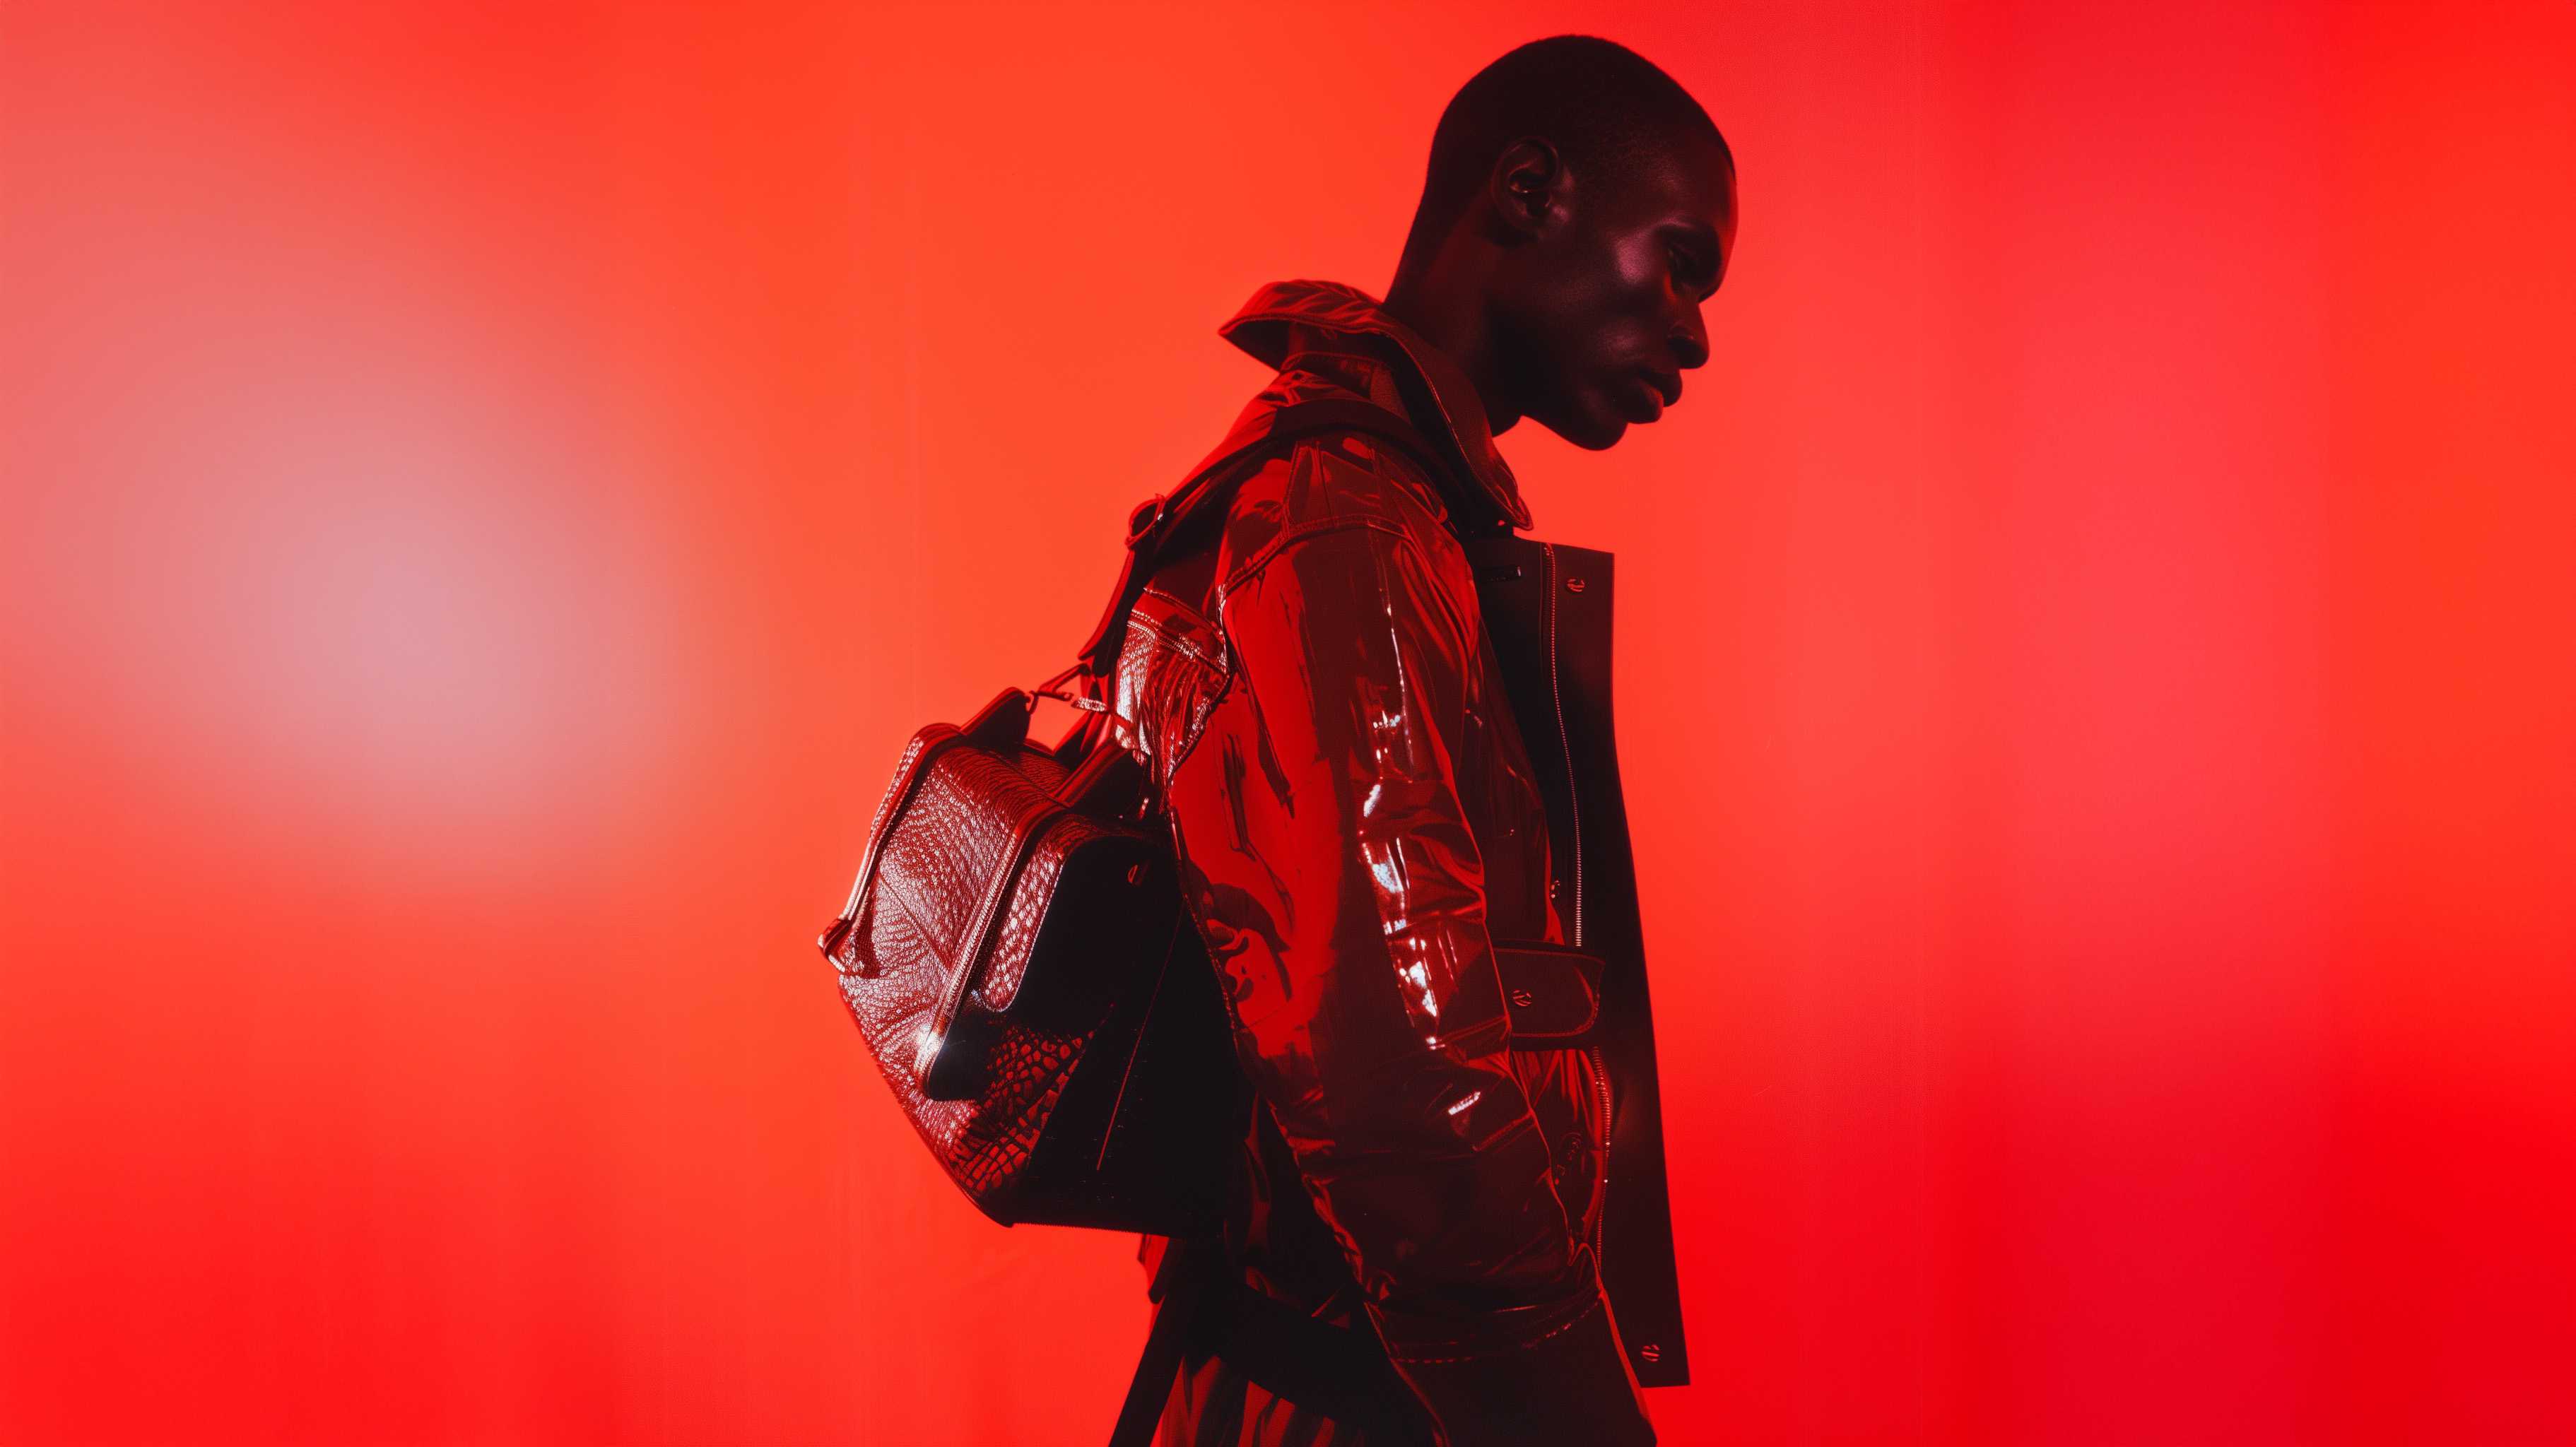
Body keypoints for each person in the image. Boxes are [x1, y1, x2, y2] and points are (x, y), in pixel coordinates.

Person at [1100, 34, 1737, 1447]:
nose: (1695, 335)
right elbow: (1399, 1081)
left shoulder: (1387, 508)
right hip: (1358, 1397)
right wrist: (1573, 1423)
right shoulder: (1346, 521)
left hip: (1349, 1375)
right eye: (1679, 264)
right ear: (1527, 192)